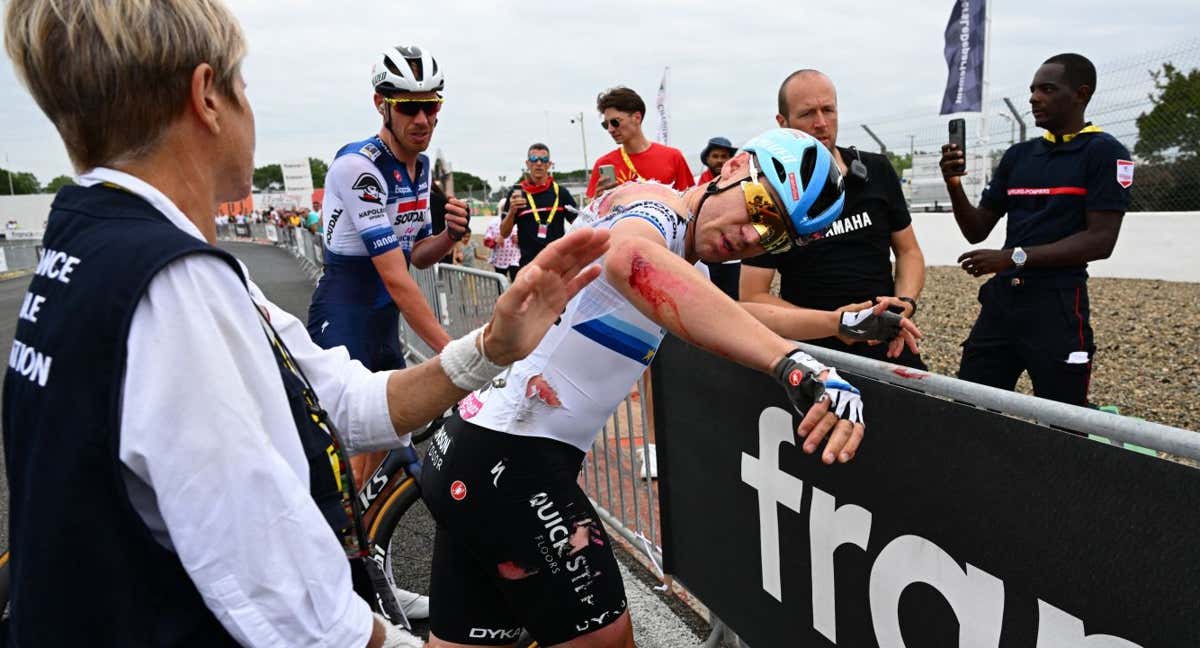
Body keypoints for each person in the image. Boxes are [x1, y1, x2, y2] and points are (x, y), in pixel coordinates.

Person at [1, 2, 609, 646]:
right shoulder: (170, 287)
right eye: (244, 87)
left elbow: (339, 399)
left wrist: (489, 348)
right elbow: (292, 610)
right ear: (208, 97)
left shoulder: (105, 244)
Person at [419, 128, 920, 647]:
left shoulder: (685, 253)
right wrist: (795, 367)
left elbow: (731, 312)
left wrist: (840, 322)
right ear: (733, 168)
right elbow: (630, 260)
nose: (752, 235)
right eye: (759, 207)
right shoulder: (654, 207)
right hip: (514, 467)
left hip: (477, 453)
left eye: (774, 235)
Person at [939, 53, 1131, 406]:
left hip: (1057, 307)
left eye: (1047, 89)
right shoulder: (1019, 156)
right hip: (1002, 304)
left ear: (1081, 94)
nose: (1033, 98)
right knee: (969, 409)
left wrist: (1013, 257)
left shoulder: (1105, 153)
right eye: (1031, 90)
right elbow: (976, 230)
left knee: (1063, 423)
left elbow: (1101, 240)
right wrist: (953, 184)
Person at [741, 69, 929, 369]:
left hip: (886, 343)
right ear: (782, 123)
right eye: (807, 114)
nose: (821, 123)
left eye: (828, 110)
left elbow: (909, 251)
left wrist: (904, 303)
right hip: (813, 357)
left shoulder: (877, 170)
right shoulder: (766, 195)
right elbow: (752, 296)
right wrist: (834, 325)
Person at [585, 86, 694, 199]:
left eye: (615, 122)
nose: (610, 129)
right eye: (605, 124)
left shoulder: (673, 157)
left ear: (637, 118)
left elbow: (689, 205)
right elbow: (590, 215)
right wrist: (597, 200)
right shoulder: (603, 164)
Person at [501, 143, 579, 272]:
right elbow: (504, 233)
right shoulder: (516, 194)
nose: (538, 163)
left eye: (543, 160)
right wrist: (512, 211)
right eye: (533, 159)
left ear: (549, 164)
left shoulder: (561, 192)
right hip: (529, 266)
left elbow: (579, 224)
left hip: (557, 264)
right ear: (527, 163)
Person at [695, 136, 743, 298]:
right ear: (707, 159)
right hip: (705, 255)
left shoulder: (739, 182)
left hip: (733, 255)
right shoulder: (698, 185)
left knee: (733, 297)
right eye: (715, 156)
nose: (719, 160)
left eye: (724, 156)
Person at [482, 213, 520, 280]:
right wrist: (495, 241)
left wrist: (520, 239)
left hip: (515, 258)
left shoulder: (518, 221)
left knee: (516, 280)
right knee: (501, 282)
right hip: (500, 259)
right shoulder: (494, 223)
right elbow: (486, 242)